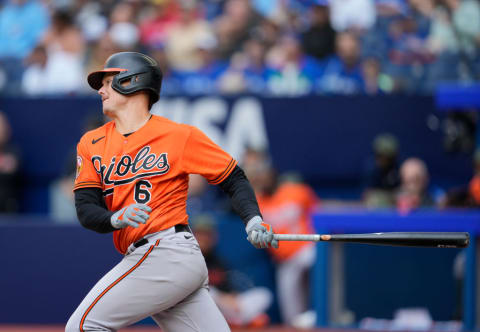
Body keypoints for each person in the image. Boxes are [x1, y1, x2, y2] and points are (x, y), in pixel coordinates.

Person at [65, 51, 278, 332]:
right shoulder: (91, 143)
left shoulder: (178, 135)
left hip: (166, 251)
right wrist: (115, 218)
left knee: (83, 326)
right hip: (156, 258)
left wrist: (252, 218)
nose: (101, 90)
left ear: (131, 81)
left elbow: (233, 176)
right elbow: (85, 209)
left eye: (107, 81)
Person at [242, 148, 319, 325]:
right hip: (284, 261)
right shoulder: (256, 201)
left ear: (273, 173)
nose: (262, 178)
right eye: (258, 176)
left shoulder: (297, 190)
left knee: (315, 260)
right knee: (290, 314)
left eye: (265, 174)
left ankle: (321, 313)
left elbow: (317, 213)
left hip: (306, 249)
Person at [192, 214, 272, 328]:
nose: (204, 238)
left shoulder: (217, 258)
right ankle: (242, 320)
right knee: (207, 293)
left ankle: (234, 320)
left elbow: (227, 283)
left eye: (207, 234)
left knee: (263, 294)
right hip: (201, 307)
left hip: (224, 307)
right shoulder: (190, 256)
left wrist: (232, 295)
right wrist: (222, 298)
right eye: (200, 234)